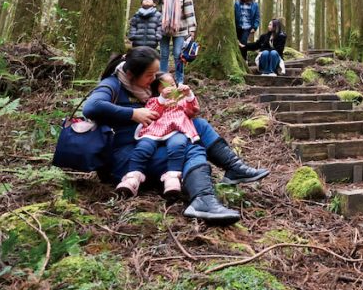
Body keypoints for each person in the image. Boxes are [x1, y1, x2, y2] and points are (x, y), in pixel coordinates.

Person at [82, 47, 270, 222]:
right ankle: (203, 199)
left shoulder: (142, 87)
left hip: (152, 140)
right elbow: (91, 107)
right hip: (128, 157)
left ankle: (233, 167)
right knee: (191, 148)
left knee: (197, 125)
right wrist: (132, 113)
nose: (153, 79)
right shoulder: (113, 84)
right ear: (131, 74)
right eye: (149, 75)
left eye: (155, 74)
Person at [115, 73, 199, 200]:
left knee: (177, 145)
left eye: (173, 84)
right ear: (157, 89)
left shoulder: (181, 100)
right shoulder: (154, 100)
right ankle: (132, 177)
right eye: (165, 86)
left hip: (176, 129)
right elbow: (152, 113)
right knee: (143, 147)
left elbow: (193, 110)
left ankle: (172, 178)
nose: (171, 88)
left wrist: (188, 94)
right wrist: (162, 99)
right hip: (155, 130)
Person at [126, 0, 196, 84]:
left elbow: (189, 11)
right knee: (163, 54)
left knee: (178, 54)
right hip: (164, 28)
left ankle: (179, 80)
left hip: (180, 30)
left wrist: (192, 29)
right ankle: (162, 78)